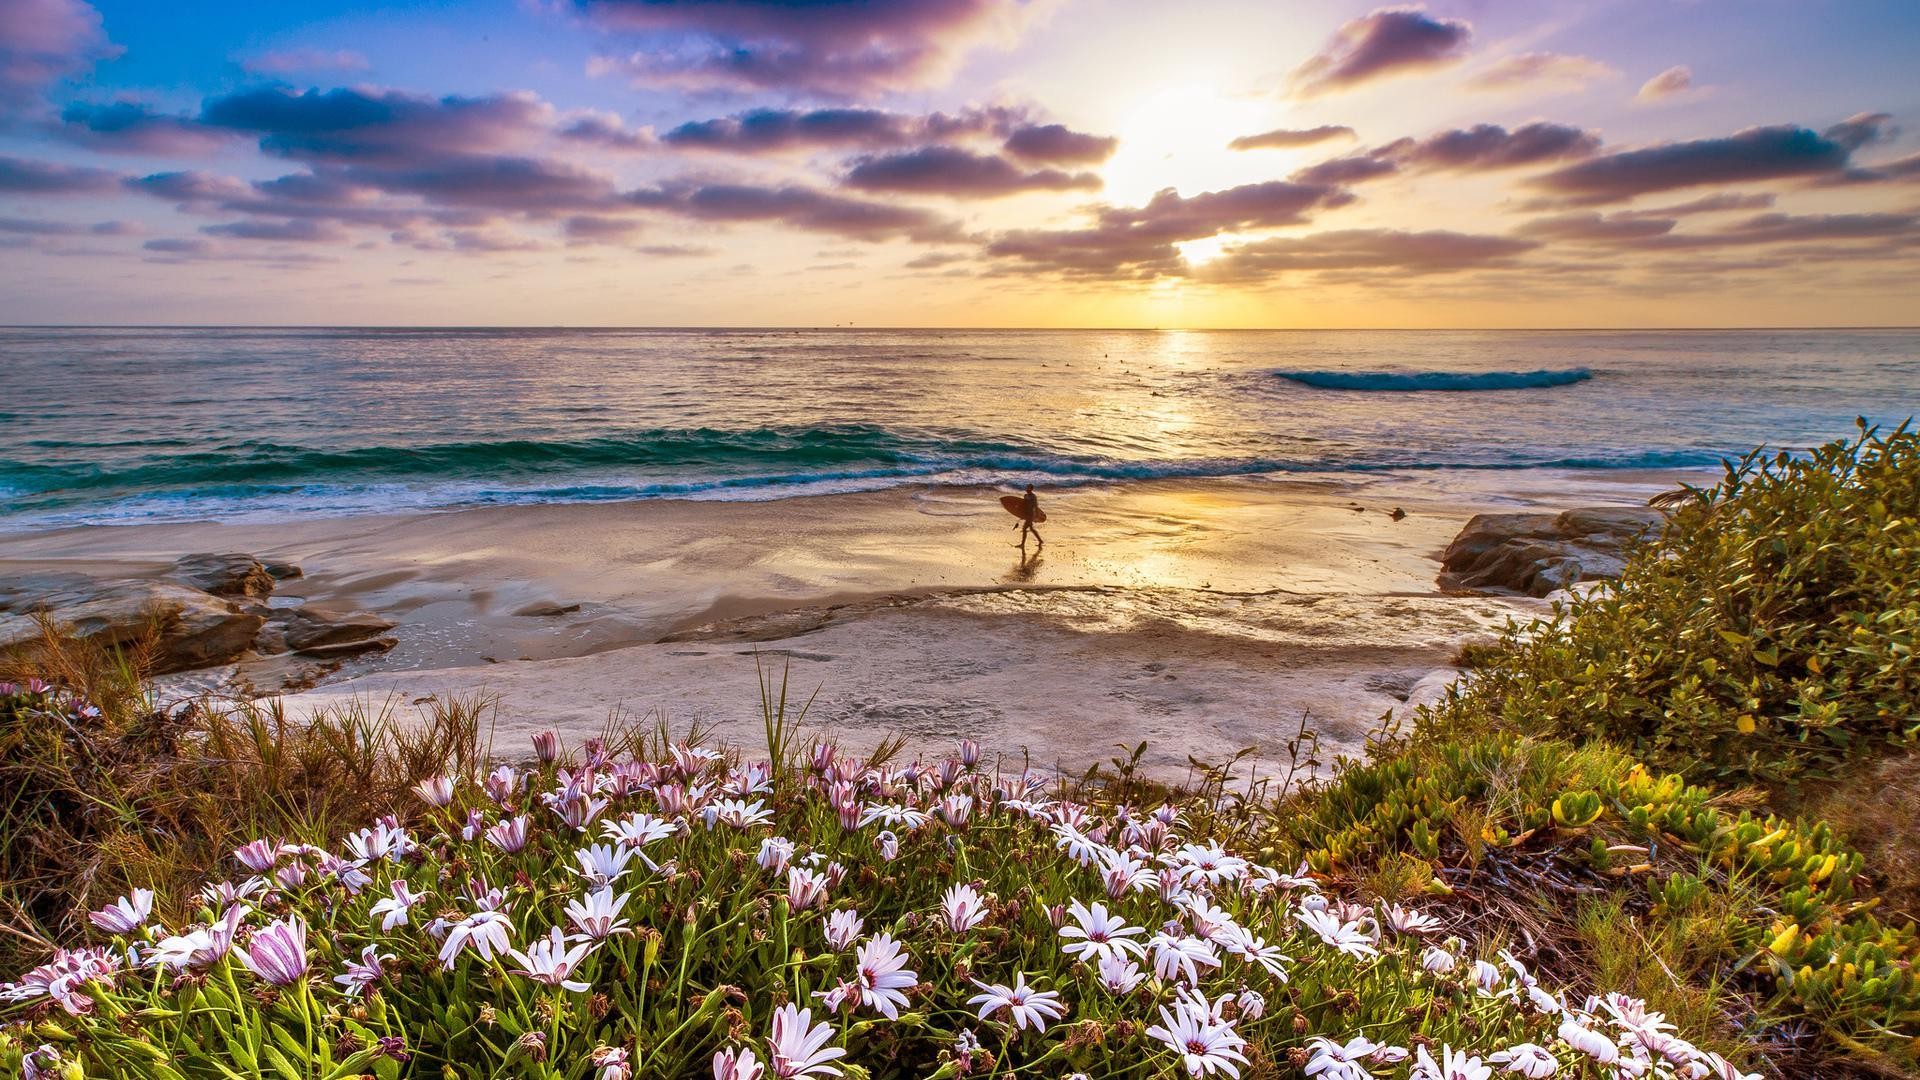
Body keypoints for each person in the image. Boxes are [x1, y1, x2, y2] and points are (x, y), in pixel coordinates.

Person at [1016, 483, 1043, 548]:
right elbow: (1023, 506)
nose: (1027, 489)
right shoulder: (1025, 496)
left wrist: (1037, 515)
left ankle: (1022, 544)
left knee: (1024, 529)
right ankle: (1040, 540)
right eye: (1027, 487)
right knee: (1031, 528)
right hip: (1026, 514)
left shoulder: (1033, 497)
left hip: (1031, 514)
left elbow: (1036, 506)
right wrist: (1021, 514)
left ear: (1031, 489)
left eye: (1028, 488)